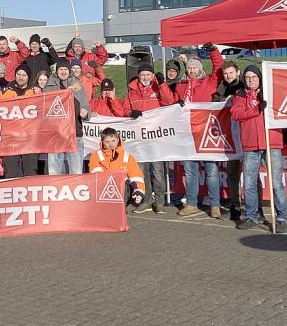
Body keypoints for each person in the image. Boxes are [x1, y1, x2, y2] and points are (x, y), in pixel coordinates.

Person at [231, 64, 287, 233]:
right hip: (250, 145)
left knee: (276, 183)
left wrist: (264, 104)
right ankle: (251, 216)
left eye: (254, 77)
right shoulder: (240, 95)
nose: (250, 80)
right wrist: (256, 109)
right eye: (248, 77)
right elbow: (237, 114)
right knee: (249, 183)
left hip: (271, 143)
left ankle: (282, 217)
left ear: (260, 78)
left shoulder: (270, 92)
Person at [175, 43, 225, 218]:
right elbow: (171, 106)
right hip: (188, 134)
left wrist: (213, 51)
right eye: (190, 68)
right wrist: (176, 104)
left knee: (211, 170)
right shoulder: (181, 86)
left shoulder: (209, 82)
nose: (193, 70)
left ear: (200, 69)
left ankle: (215, 205)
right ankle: (191, 203)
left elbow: (219, 67)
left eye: (196, 67)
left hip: (207, 133)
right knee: (190, 170)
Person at [125, 63, 176, 213]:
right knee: (142, 170)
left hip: (156, 137)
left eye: (148, 74)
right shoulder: (132, 92)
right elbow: (125, 108)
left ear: (152, 76)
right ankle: (146, 200)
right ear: (139, 76)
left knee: (158, 170)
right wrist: (130, 113)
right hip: (140, 138)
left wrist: (162, 84)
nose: (145, 77)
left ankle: (159, 201)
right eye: (143, 75)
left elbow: (168, 102)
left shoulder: (157, 88)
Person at [44, 59, 90, 175]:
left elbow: (86, 106)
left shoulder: (77, 85)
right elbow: (44, 109)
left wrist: (85, 114)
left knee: (76, 170)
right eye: (61, 69)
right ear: (57, 71)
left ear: (69, 71)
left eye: (65, 69)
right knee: (54, 171)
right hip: (55, 134)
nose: (63, 72)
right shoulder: (49, 86)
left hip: (74, 132)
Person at [215, 60, 245, 221]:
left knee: (250, 174)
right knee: (232, 174)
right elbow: (213, 104)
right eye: (226, 74)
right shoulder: (222, 88)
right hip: (230, 138)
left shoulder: (245, 86)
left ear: (237, 72)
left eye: (231, 73)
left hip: (246, 136)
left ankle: (256, 207)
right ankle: (235, 205)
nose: (228, 76)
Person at [88, 128, 146, 210]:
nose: (111, 144)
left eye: (113, 141)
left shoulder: (127, 156)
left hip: (123, 191)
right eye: (107, 142)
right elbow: (97, 177)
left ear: (118, 140)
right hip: (103, 191)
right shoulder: (95, 155)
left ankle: (121, 212)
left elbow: (136, 177)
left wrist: (138, 193)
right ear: (102, 143)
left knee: (127, 185)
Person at [0, 64, 39, 178]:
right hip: (10, 139)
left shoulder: (35, 92)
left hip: (30, 139)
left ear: (28, 77)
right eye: (18, 74)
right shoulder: (5, 92)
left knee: (30, 173)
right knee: (10, 173)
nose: (21, 77)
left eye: (24, 75)